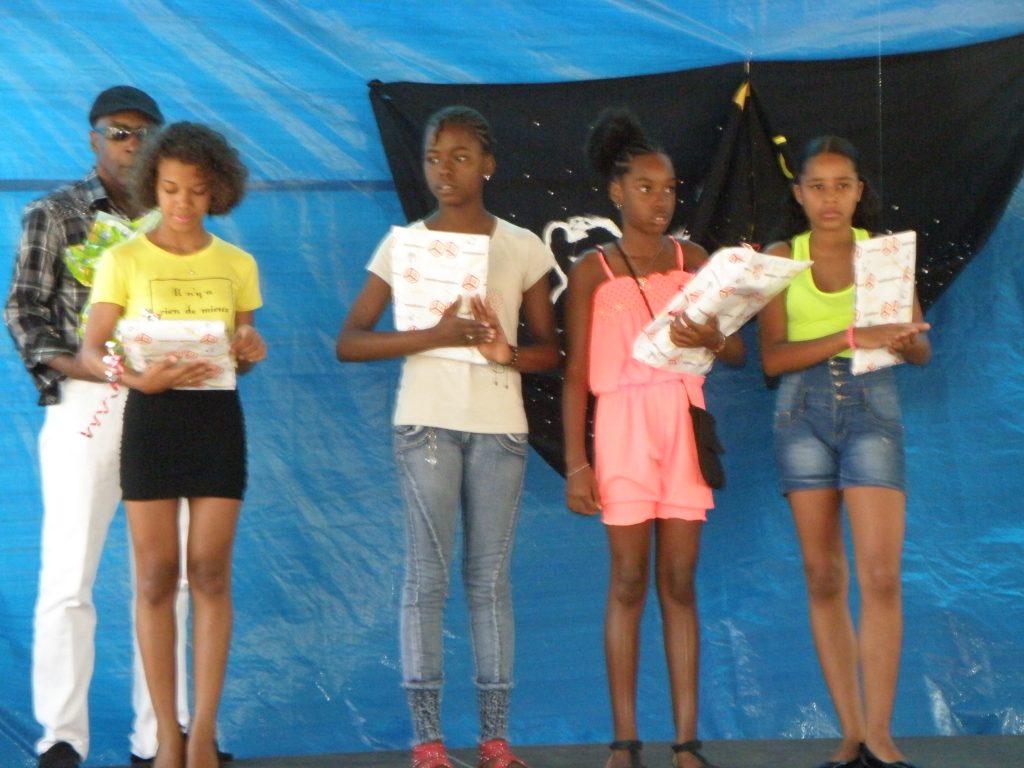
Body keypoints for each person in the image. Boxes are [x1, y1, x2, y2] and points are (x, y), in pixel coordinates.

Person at [336, 105, 558, 768]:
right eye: (434, 157)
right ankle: (428, 742)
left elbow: (550, 351)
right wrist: (432, 335)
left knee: (489, 582)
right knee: (426, 578)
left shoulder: (522, 246)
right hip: (427, 423)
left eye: (460, 156)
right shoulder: (403, 245)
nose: (444, 169)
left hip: (499, 429)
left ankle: (495, 740)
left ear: (488, 164)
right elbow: (350, 341)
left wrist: (503, 352)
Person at [3, 85, 191, 768]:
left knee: (168, 578)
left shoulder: (178, 218)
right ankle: (61, 738)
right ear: (93, 138)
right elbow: (22, 310)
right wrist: (82, 364)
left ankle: (162, 737)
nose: (131, 142)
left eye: (144, 131)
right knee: (67, 577)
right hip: (88, 402)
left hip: (168, 406)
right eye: (118, 131)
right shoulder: (54, 213)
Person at [562, 108, 744, 768]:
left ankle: (687, 742)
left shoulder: (697, 262)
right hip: (621, 427)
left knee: (679, 579)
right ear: (616, 193)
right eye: (644, 187)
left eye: (668, 189)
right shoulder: (592, 272)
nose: (659, 200)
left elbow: (736, 353)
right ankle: (624, 740)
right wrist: (577, 464)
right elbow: (575, 375)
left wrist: (713, 337)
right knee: (629, 578)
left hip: (682, 419)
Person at [79, 121, 265, 768]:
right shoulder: (123, 260)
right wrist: (136, 379)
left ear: (218, 190)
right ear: (151, 187)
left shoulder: (237, 264)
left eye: (196, 190)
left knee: (210, 571)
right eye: (170, 189)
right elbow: (91, 351)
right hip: (151, 422)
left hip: (216, 424)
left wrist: (250, 348)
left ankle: (203, 734)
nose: (183, 202)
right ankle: (166, 737)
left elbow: (242, 352)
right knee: (156, 576)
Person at [758, 136, 931, 768]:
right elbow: (772, 359)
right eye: (817, 186)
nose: (830, 198)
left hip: (871, 407)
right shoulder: (781, 258)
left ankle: (880, 735)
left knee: (880, 575)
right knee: (824, 575)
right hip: (800, 413)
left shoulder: (882, 254)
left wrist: (906, 339)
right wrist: (852, 334)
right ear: (799, 194)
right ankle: (850, 734)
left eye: (842, 185)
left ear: (859, 192)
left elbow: (919, 350)